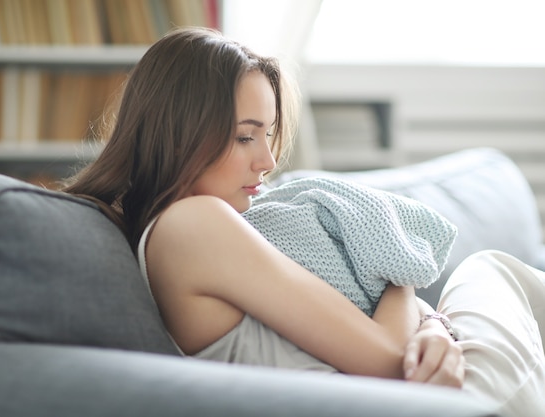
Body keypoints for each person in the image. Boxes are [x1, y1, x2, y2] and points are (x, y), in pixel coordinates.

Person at [63, 27, 545, 416]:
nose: (268, 160)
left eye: (269, 135)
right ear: (178, 134)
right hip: (457, 399)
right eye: (245, 137)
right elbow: (387, 360)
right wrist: (402, 281)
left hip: (441, 382)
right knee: (491, 270)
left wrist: (435, 327)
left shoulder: (189, 229)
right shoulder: (190, 224)